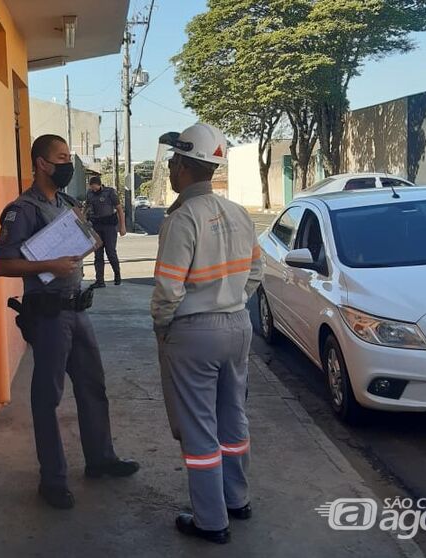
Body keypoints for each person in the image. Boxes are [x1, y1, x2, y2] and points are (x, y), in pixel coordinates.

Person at [0, 134, 139, 510]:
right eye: (60, 158)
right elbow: (2, 264)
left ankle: (100, 458)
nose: (66, 165)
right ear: (42, 163)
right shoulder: (21, 209)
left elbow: (85, 241)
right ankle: (53, 480)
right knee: (48, 398)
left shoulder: (68, 203)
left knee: (93, 386)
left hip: (78, 309)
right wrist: (48, 265)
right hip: (48, 315)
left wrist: (89, 241)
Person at [151, 123, 263, 544]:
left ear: (182, 164)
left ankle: (211, 521)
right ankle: (238, 499)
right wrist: (233, 298)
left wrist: (164, 327)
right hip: (237, 326)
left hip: (194, 333)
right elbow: (257, 271)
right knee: (233, 417)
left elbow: (167, 288)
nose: (173, 167)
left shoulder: (183, 219)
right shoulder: (237, 213)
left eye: (174, 161)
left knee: (198, 428)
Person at [85, 176, 126, 288]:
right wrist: (84, 219)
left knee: (110, 252)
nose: (94, 190)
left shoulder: (109, 193)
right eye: (92, 188)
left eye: (95, 188)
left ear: (99, 185)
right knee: (98, 254)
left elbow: (119, 209)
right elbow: (87, 207)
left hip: (109, 226)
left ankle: (117, 275)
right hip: (96, 225)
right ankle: (100, 280)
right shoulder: (89, 194)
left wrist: (122, 226)